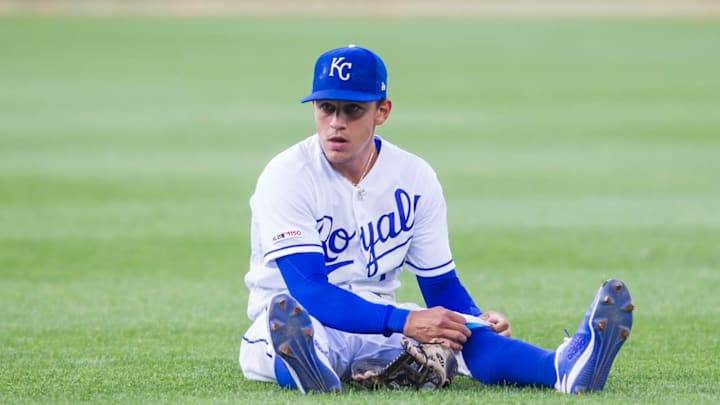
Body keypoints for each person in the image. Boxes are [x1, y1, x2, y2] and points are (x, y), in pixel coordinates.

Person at [239, 45, 634, 394]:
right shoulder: (287, 175)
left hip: (379, 323)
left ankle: (562, 368)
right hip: (296, 319)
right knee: (298, 335)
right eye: (326, 108)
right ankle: (309, 367)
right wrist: (405, 320)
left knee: (455, 331)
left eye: (352, 110)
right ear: (314, 108)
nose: (336, 122)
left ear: (383, 111)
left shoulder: (414, 176)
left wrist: (472, 320)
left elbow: (441, 284)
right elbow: (310, 289)